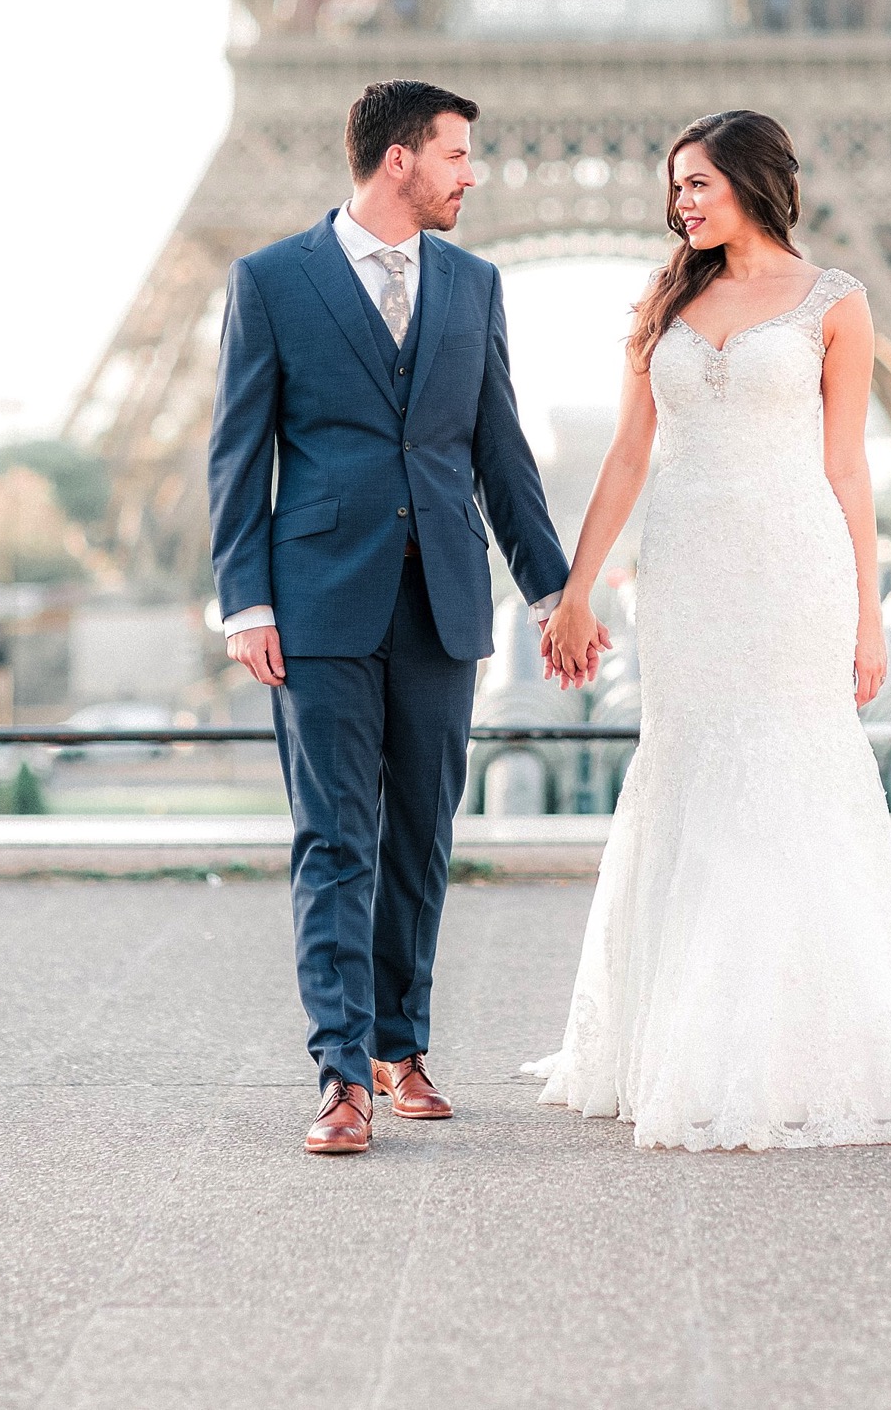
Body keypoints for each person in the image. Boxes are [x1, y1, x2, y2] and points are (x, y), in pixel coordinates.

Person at [530, 110, 891, 1151]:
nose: (682, 203)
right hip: (687, 571)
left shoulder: (839, 301)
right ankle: (684, 1030)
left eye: (699, 184)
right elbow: (628, 460)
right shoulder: (661, 301)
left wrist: (869, 612)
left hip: (793, 566)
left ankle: (798, 1039)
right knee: (691, 773)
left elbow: (847, 467)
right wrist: (577, 588)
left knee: (788, 774)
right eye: (674, 187)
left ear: (752, 180)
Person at [208, 79, 604, 1155]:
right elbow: (239, 454)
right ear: (398, 159)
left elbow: (499, 454)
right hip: (316, 600)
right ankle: (339, 1075)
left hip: (444, 602)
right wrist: (243, 600)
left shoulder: (474, 285)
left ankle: (398, 1043)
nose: (471, 174)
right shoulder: (272, 281)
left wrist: (554, 590)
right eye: (457, 154)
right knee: (335, 838)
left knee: (422, 837)